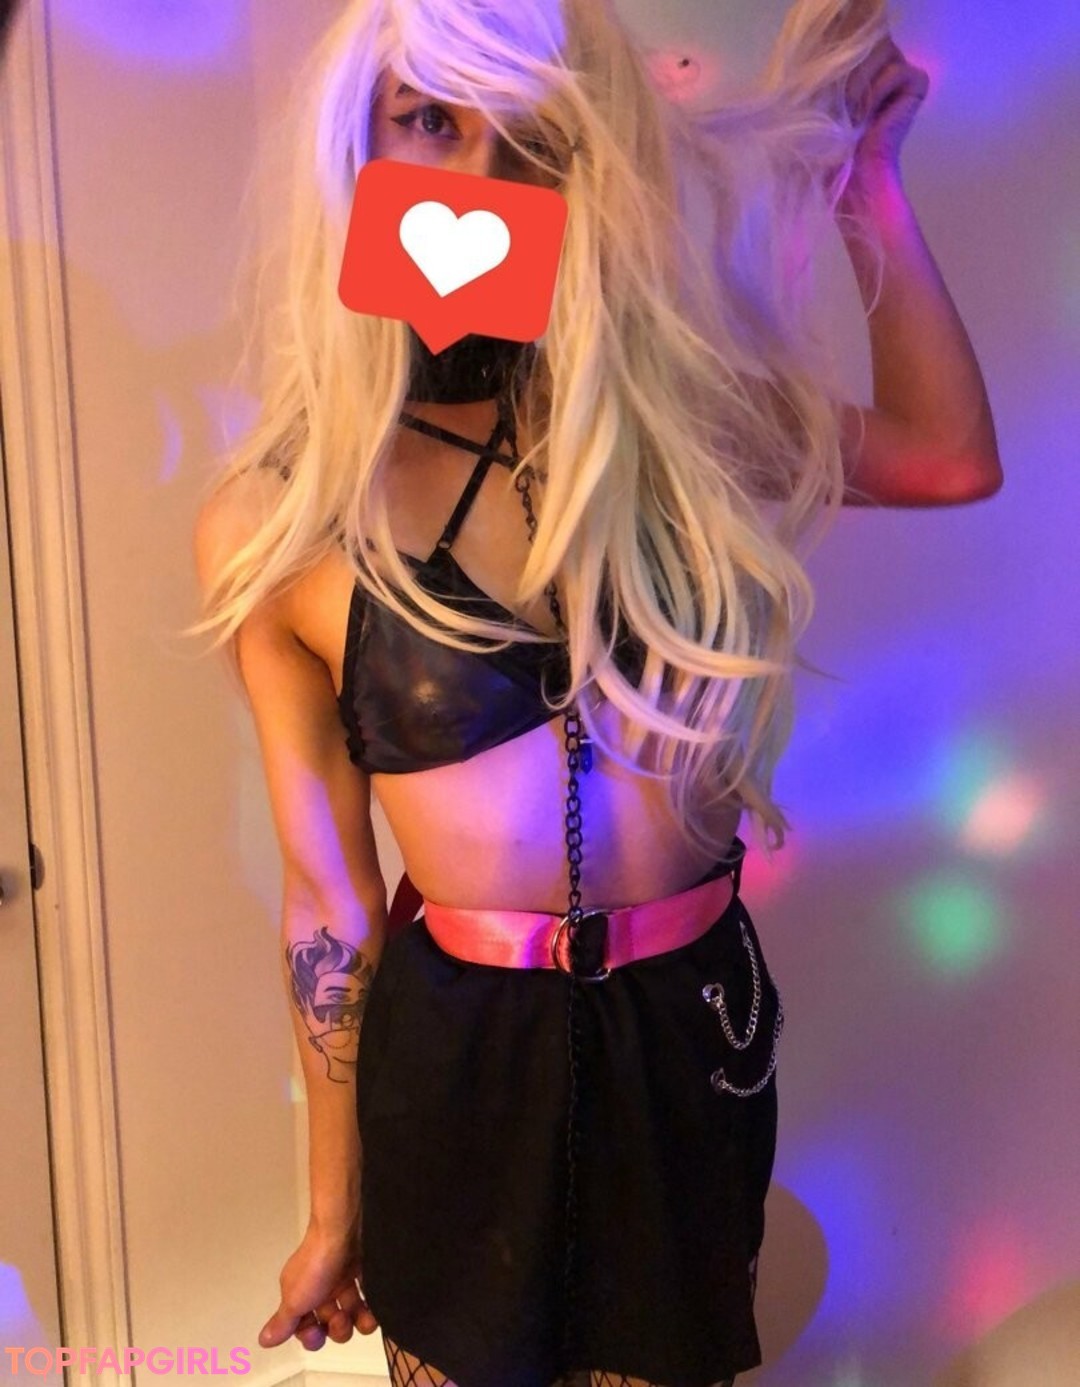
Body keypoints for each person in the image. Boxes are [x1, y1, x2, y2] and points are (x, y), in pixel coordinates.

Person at [191, 0, 1001, 1383]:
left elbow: (946, 456)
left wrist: (863, 179)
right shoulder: (283, 522)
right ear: (357, 146)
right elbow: (327, 902)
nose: (481, 180)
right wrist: (332, 1212)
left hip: (683, 1037)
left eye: (535, 137)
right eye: (430, 120)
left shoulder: (685, 426)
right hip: (457, 1066)